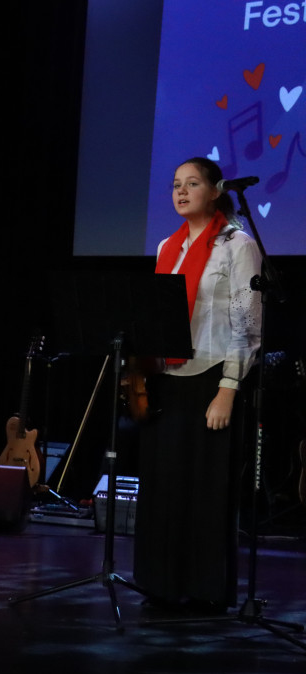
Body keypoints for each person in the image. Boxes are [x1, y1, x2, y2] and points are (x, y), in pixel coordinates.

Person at [134, 156, 262, 612]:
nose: (181, 191)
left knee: (205, 489)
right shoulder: (168, 245)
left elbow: (247, 324)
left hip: (212, 375)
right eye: (175, 185)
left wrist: (229, 387)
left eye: (192, 184)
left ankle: (205, 590)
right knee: (163, 485)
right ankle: (161, 583)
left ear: (215, 190)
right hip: (167, 377)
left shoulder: (237, 245)